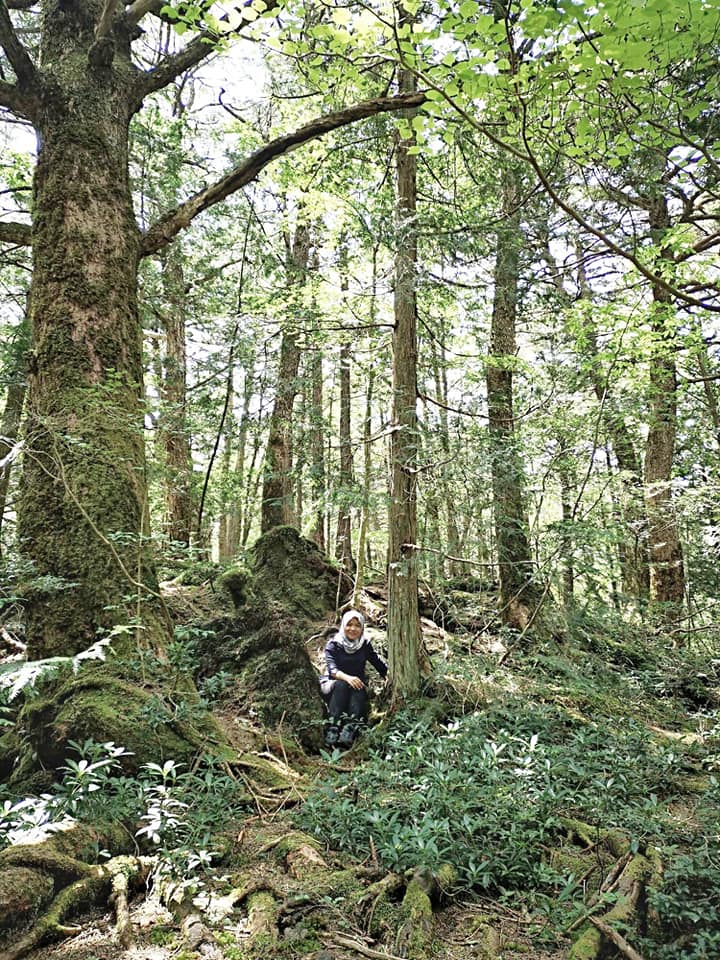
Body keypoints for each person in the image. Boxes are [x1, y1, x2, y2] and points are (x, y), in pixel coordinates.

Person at [322, 609, 387, 748]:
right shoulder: (333, 644)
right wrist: (348, 678)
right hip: (332, 684)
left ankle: (349, 730)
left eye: (357, 625)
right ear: (343, 625)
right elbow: (332, 670)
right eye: (349, 624)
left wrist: (389, 676)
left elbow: (378, 664)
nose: (353, 629)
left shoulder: (364, 645)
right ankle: (332, 728)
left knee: (359, 686)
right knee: (342, 684)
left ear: (362, 627)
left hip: (355, 686)